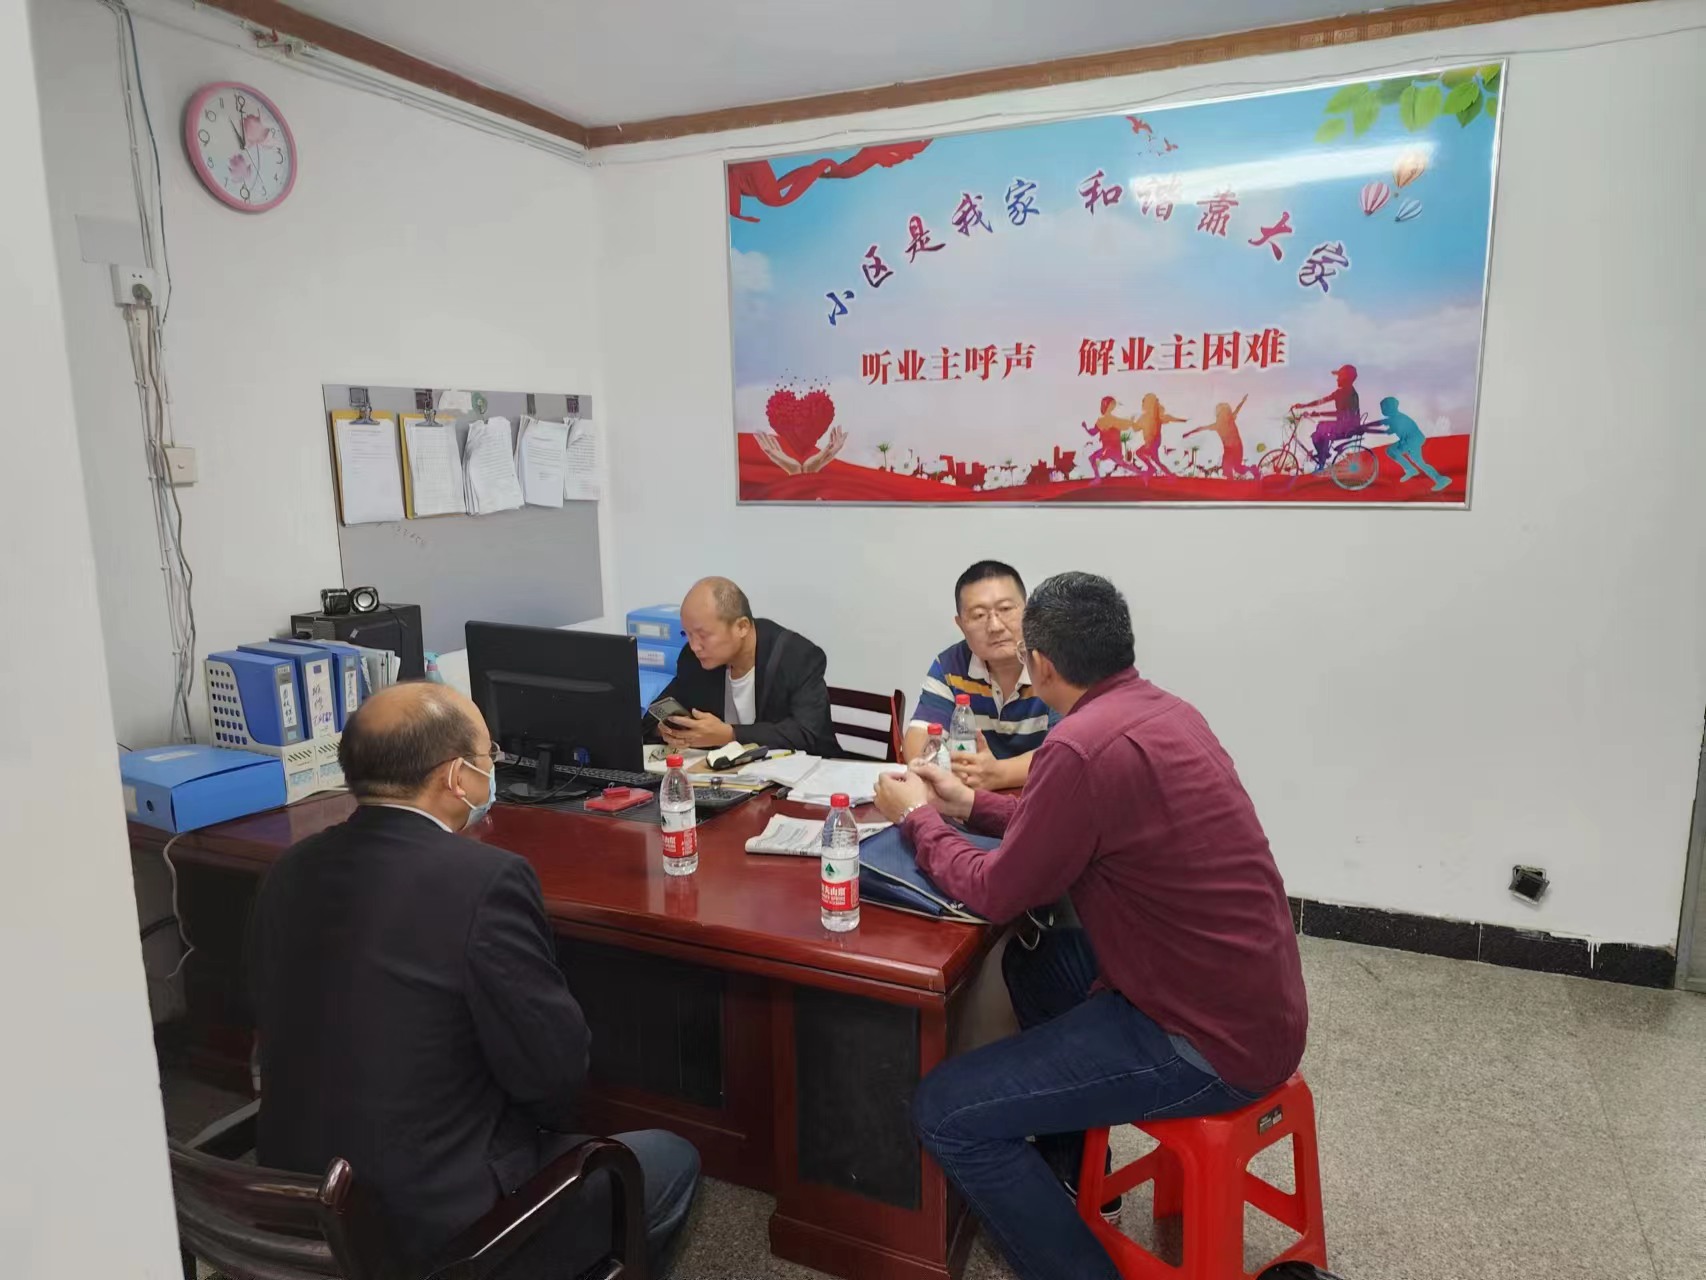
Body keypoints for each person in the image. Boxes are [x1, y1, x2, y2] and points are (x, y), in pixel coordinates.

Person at [874, 572, 1307, 1280]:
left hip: (1202, 1042)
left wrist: (919, 820)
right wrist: (967, 806)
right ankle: (1070, 1170)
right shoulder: (1166, 711)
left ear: (1042, 664)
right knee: (1036, 962)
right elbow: (1068, 825)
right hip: (1256, 1008)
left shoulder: (1077, 745)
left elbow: (996, 893)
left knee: (946, 1110)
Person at [250, 683, 699, 1279]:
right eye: (489, 757)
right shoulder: (484, 881)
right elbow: (554, 1073)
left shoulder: (290, 869)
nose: (493, 769)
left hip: (295, 1204)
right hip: (438, 1237)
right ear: (456, 776)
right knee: (671, 1158)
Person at [902, 561, 1056, 791]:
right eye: (979, 615)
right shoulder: (950, 666)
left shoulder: (1055, 663)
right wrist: (951, 771)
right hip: (969, 800)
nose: (995, 626)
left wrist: (999, 774)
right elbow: (920, 738)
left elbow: (1064, 752)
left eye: (1006, 609)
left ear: (1027, 611)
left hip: (1041, 798)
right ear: (961, 625)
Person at [650, 576, 836, 754]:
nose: (694, 646)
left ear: (742, 627)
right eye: (687, 634)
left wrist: (730, 735)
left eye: (703, 635)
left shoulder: (797, 657)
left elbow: (807, 734)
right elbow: (652, 717)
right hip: (723, 773)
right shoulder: (693, 659)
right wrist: (668, 730)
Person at [1365, 394, 1450, 493]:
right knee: (1395, 452)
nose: (1383, 410)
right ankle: (1413, 470)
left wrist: (1365, 429)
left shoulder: (1397, 419)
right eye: (1382, 408)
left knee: (1408, 457)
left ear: (1391, 407)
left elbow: (1385, 429)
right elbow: (1381, 423)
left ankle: (1439, 479)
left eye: (1384, 407)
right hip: (1410, 440)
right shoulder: (1395, 417)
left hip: (1412, 441)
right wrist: (1365, 427)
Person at [1292, 363, 1362, 471]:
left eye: (1339, 376)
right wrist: (1303, 406)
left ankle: (1322, 461)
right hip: (1342, 425)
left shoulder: (1351, 394)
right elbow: (1322, 401)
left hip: (1348, 427)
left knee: (1323, 430)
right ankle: (1323, 455)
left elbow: (1344, 415)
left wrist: (1319, 414)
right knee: (1318, 432)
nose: (1337, 379)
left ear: (1345, 378)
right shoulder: (1340, 392)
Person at [1184, 393, 1255, 480]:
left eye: (1225, 413)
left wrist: (1243, 401)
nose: (1224, 416)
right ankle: (1230, 482)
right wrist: (1189, 433)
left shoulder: (1229, 420)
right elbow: (1201, 428)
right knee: (1227, 469)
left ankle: (1252, 470)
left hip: (1237, 447)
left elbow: (1238, 409)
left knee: (1237, 468)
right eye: (1222, 414)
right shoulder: (1218, 425)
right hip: (1229, 450)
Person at [1080, 397, 1143, 480]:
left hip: (1110, 448)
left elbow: (1093, 432)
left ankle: (1097, 478)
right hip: (1109, 448)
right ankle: (1141, 473)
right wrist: (1085, 428)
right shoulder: (1106, 420)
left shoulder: (1108, 420)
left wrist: (1086, 428)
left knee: (1093, 458)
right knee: (1122, 464)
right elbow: (1093, 432)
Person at [1131, 392, 1185, 476]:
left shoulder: (1155, 417)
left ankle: (1153, 468)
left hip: (1152, 442)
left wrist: (1182, 420)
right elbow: (1136, 429)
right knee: (1155, 460)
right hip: (1153, 442)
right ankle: (1169, 474)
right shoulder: (1146, 417)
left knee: (1140, 453)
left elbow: (1169, 418)